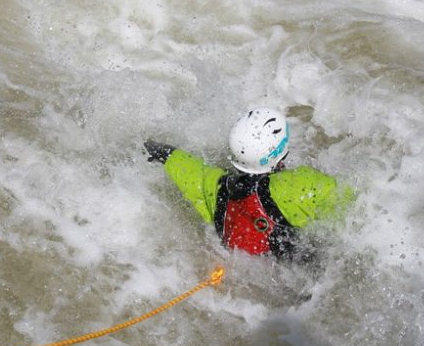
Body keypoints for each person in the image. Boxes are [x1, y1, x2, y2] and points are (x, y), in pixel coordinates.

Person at [144, 107, 354, 260]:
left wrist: (151, 147)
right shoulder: (302, 185)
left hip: (242, 268)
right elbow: (355, 210)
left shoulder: (217, 188)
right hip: (295, 275)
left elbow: (176, 160)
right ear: (282, 151)